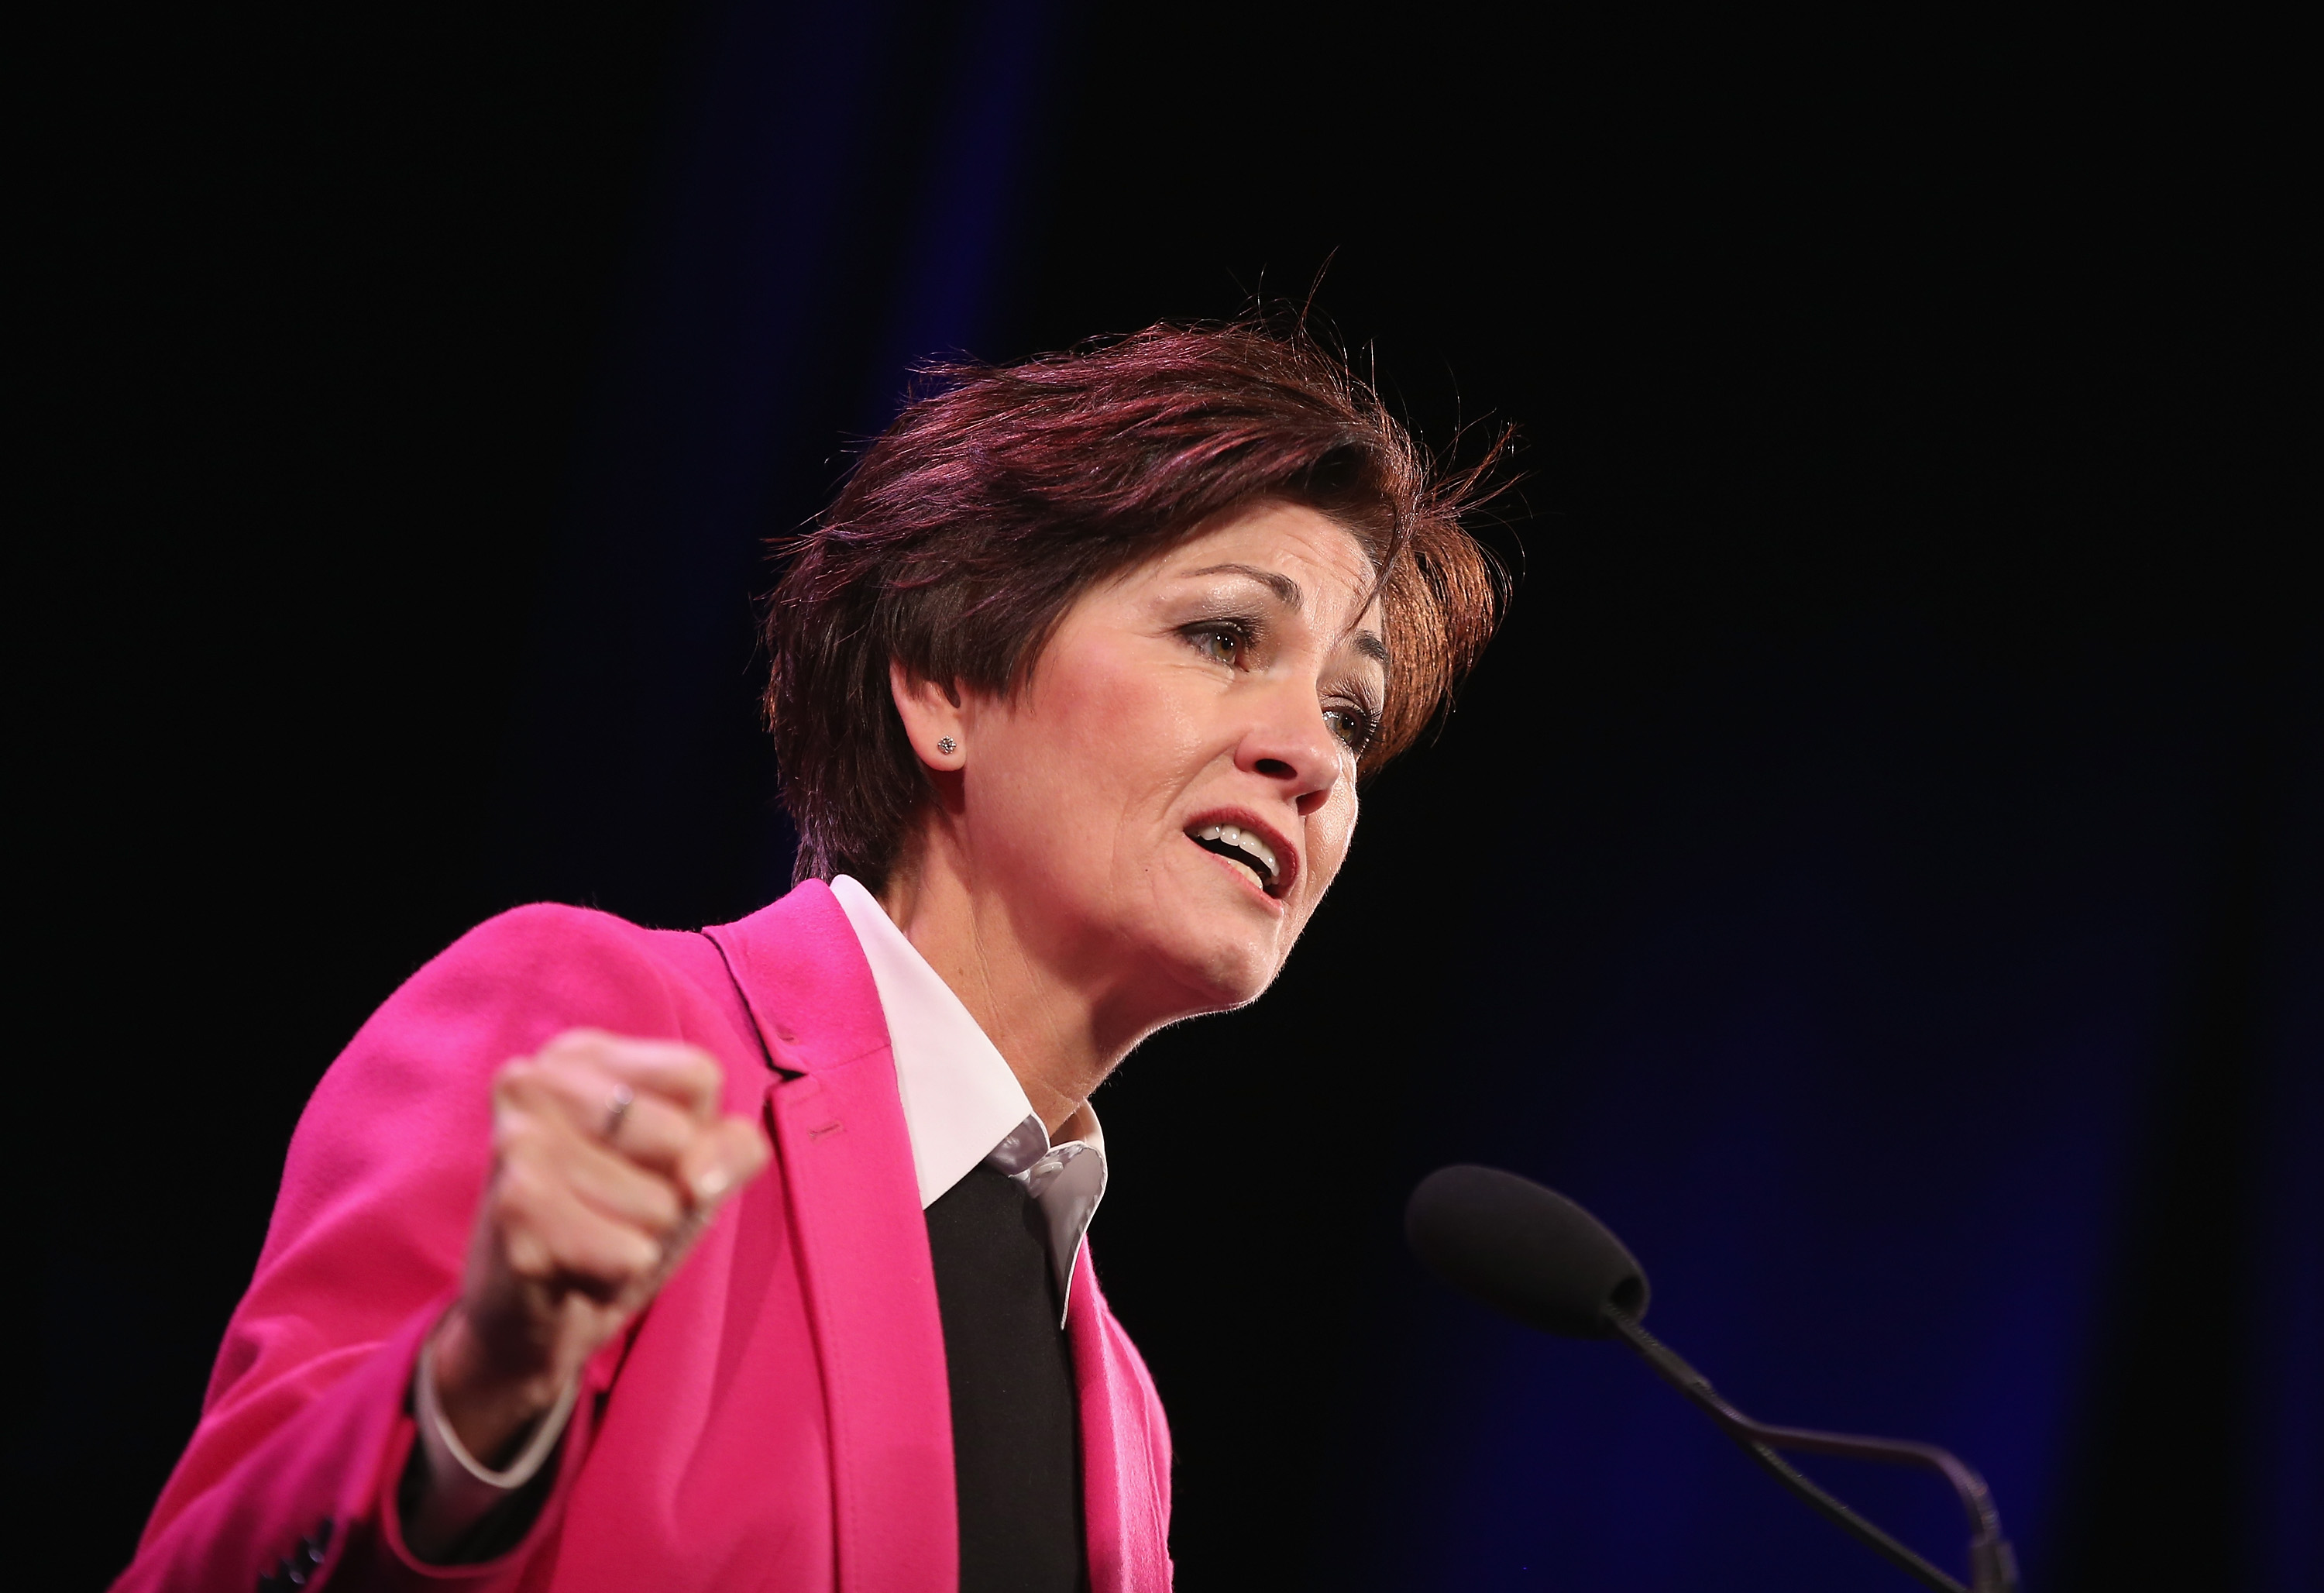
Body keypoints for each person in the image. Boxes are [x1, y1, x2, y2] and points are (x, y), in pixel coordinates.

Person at [112, 321, 1506, 1593]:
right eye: (1222, 636)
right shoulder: (613, 1036)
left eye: (1351, 711)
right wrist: (475, 1389)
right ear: (947, 685)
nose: (1313, 755)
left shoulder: (1124, 1411)